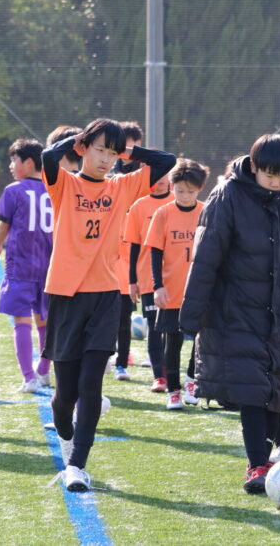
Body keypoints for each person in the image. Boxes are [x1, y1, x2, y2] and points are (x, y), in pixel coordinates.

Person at [179, 134, 280, 494]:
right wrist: (191, 315)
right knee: (253, 391)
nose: (276, 182)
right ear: (254, 166)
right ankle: (257, 464)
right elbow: (205, 259)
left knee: (275, 390)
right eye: (270, 174)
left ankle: (270, 457)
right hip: (237, 314)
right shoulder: (226, 197)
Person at [42, 118, 175, 491]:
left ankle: (76, 465)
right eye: (99, 150)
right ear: (83, 148)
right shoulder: (65, 183)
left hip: (105, 297)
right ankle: (66, 434)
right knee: (65, 395)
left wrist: (127, 150)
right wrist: (79, 138)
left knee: (90, 384)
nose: (105, 159)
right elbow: (48, 156)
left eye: (112, 153)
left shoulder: (122, 185)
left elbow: (166, 161)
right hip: (67, 295)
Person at [0, 139, 54, 393]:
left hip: (21, 266)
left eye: (14, 160)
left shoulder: (14, 190)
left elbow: (4, 223)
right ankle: (44, 371)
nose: (10, 166)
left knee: (21, 320)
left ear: (28, 162)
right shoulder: (54, 190)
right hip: (49, 267)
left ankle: (28, 377)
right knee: (45, 320)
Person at [143, 159, 208, 408]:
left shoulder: (206, 211)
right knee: (172, 343)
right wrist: (157, 286)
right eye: (180, 190)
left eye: (190, 191)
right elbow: (155, 252)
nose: (185, 195)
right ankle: (173, 391)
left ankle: (192, 382)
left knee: (200, 341)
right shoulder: (163, 213)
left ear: (199, 189)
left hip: (199, 291)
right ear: (172, 187)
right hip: (171, 291)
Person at [121, 161, 174, 393]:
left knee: (174, 330)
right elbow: (133, 246)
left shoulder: (179, 201)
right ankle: (159, 376)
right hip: (148, 278)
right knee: (154, 326)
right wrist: (132, 281)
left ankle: (175, 375)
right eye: (155, 174)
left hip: (176, 278)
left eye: (164, 173)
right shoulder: (139, 206)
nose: (160, 178)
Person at [110, 121, 147, 381]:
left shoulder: (146, 174)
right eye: (123, 145)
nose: (127, 150)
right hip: (115, 256)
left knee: (141, 313)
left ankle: (151, 358)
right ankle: (117, 358)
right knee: (116, 315)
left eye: (132, 145)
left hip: (140, 253)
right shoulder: (110, 174)